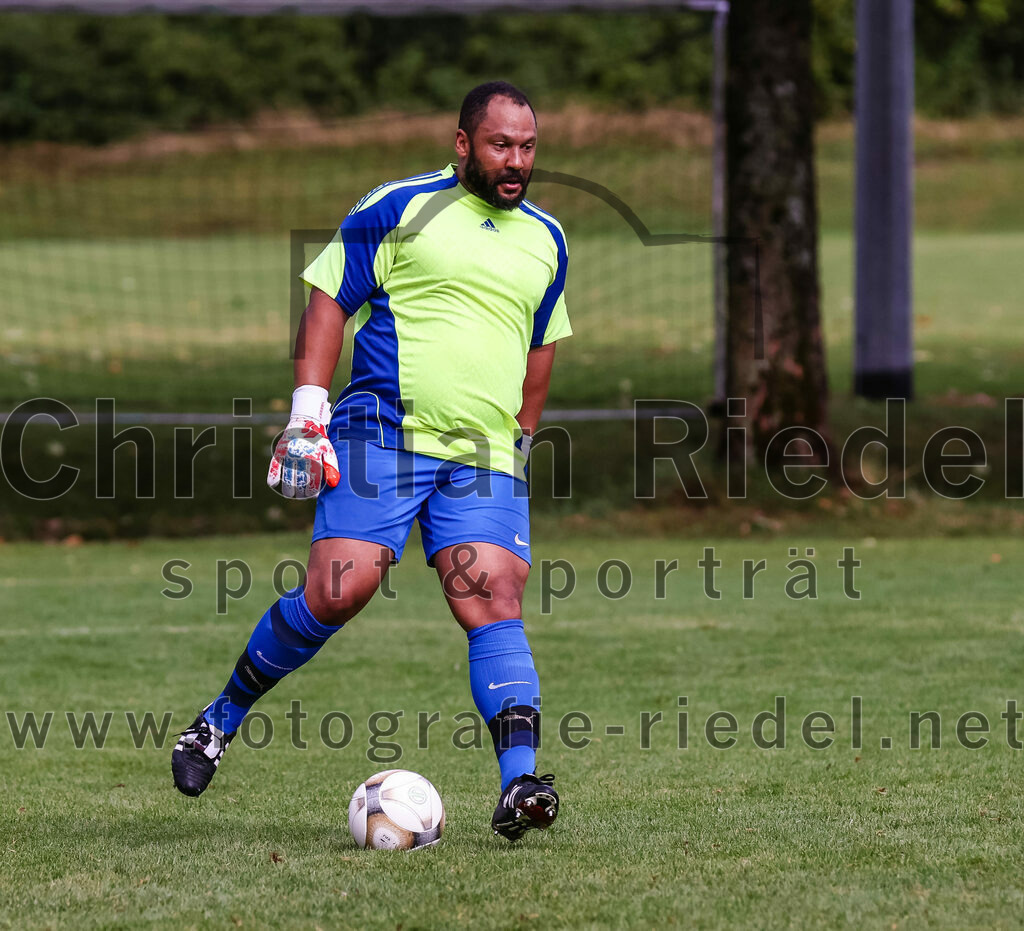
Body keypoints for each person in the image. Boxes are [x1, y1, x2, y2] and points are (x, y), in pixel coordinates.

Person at [171, 81, 571, 841]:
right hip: (381, 433)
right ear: (463, 144)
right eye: (500, 146)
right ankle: (215, 723)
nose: (516, 161)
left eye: (527, 147)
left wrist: (520, 437)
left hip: (481, 452)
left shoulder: (547, 237)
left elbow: (540, 340)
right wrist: (306, 414)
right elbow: (330, 298)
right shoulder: (398, 206)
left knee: (491, 598)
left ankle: (520, 782)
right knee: (338, 590)